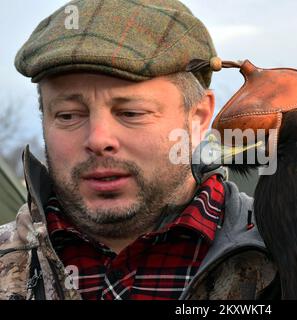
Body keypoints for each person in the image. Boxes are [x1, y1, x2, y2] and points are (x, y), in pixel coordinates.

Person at [0, 0, 277, 300]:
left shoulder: (293, 254)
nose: (98, 139)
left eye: (131, 113)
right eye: (68, 115)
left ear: (197, 117)